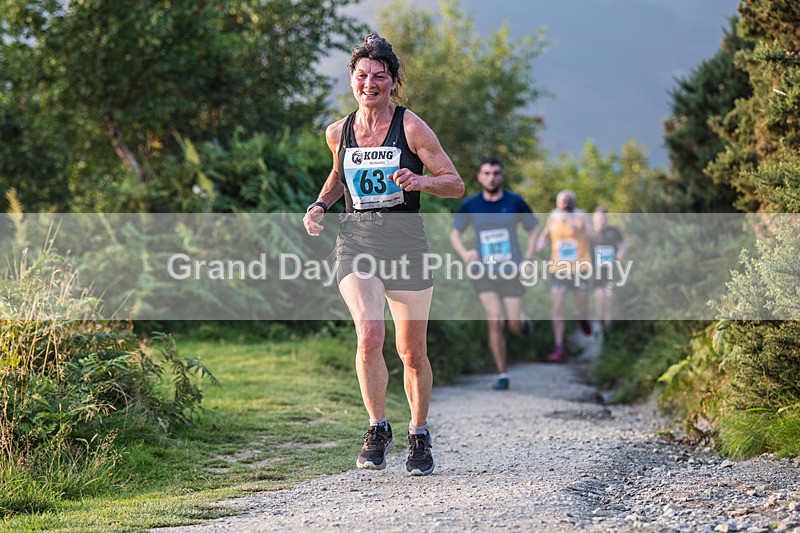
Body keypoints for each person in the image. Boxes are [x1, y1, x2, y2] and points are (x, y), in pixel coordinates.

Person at [302, 34, 464, 476]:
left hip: (406, 243)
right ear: (352, 80)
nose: (369, 84)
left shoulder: (411, 127)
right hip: (357, 241)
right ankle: (377, 428)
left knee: (411, 351)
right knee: (369, 335)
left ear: (393, 81)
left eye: (379, 76)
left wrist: (420, 182)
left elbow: (455, 183)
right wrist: (319, 205)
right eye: (361, 76)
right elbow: (337, 179)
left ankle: (418, 433)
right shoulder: (339, 131)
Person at [450, 157, 538, 391]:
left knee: (513, 326)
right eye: (487, 173)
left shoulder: (514, 202)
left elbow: (534, 229)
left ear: (502, 176)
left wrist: (527, 261)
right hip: (483, 272)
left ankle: (520, 320)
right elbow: (455, 235)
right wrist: (465, 253)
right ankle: (502, 374)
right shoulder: (471, 205)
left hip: (511, 270)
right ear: (479, 176)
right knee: (495, 319)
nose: (492, 177)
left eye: (496, 173)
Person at [535, 190, 596, 363]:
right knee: (558, 307)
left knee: (581, 305)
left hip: (580, 267)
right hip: (558, 268)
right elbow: (546, 233)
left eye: (568, 201)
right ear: (557, 203)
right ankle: (559, 348)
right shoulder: (554, 216)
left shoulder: (582, 216)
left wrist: (581, 229)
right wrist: (541, 243)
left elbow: (595, 237)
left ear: (573, 202)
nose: (565, 204)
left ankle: (582, 316)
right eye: (562, 202)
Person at [591, 206, 625, 332]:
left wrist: (621, 252)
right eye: (599, 217)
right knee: (600, 299)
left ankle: (609, 323)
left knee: (609, 296)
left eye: (604, 217)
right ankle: (601, 327)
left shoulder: (614, 231)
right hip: (596, 273)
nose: (601, 220)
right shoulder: (590, 233)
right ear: (593, 218)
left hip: (611, 271)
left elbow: (623, 243)